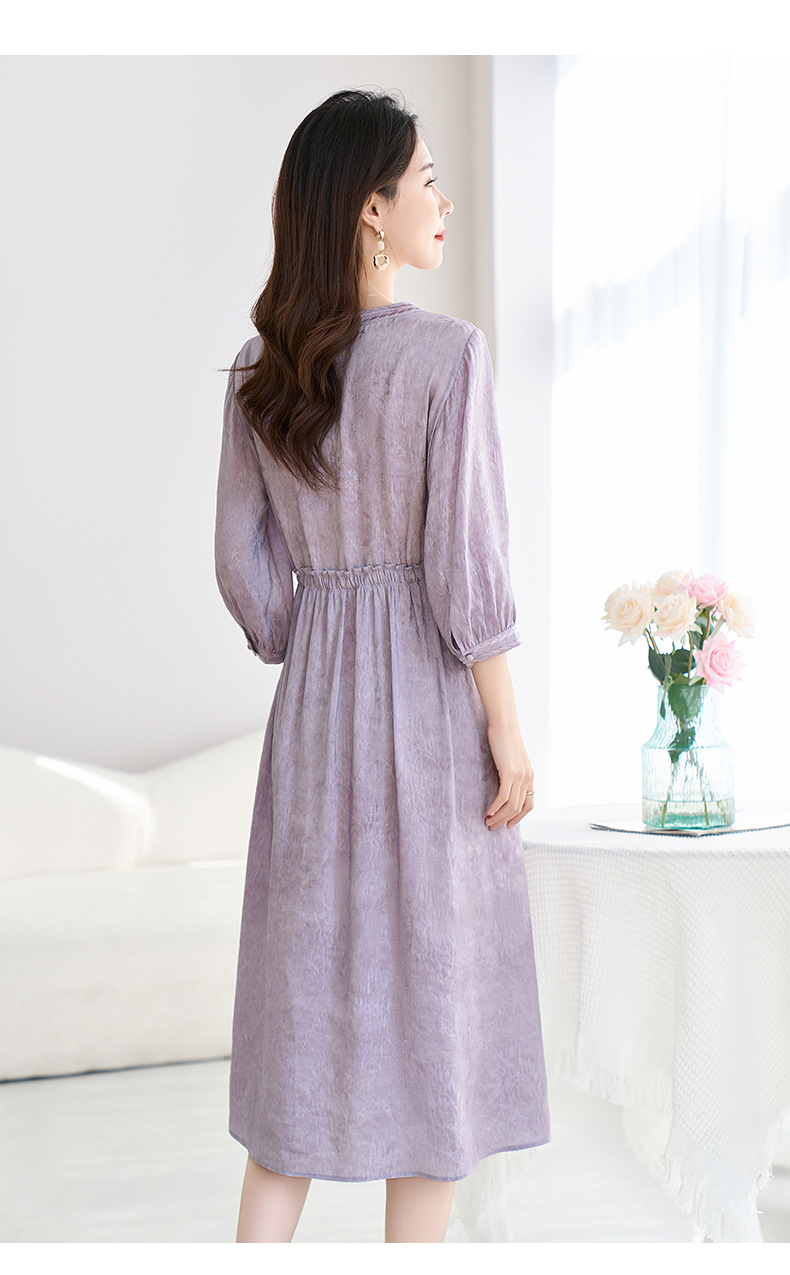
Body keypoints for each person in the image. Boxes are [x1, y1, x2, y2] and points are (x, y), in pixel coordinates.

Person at [214, 87, 550, 1245]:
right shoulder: (447, 356)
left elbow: (249, 580)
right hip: (428, 712)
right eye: (426, 183)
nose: (442, 203)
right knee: (434, 1039)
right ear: (371, 209)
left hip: (312, 719)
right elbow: (465, 569)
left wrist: (312, 635)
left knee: (300, 1028)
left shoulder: (260, 372)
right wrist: (505, 727)